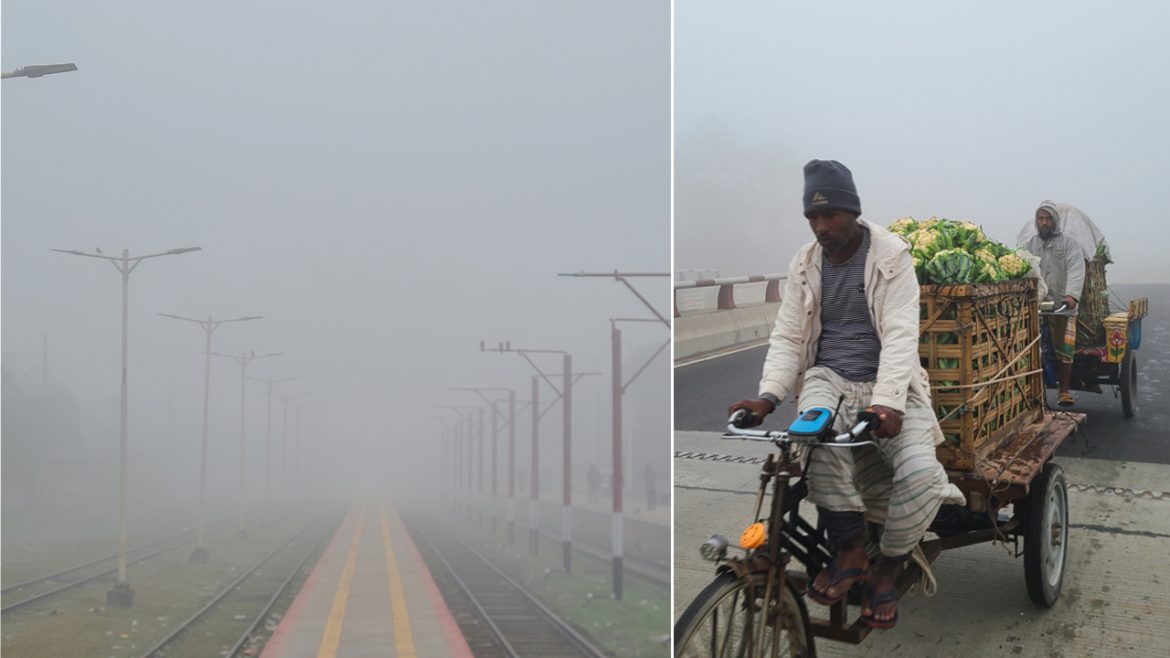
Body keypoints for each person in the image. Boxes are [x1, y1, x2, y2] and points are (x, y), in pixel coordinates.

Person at [728, 159, 963, 629]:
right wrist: (769, 396)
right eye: (812, 218)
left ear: (852, 211)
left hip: (891, 385)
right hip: (828, 378)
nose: (821, 226)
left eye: (830, 214)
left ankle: (889, 566)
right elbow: (790, 336)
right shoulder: (804, 263)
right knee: (814, 439)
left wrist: (888, 402)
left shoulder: (892, 256)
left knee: (922, 475)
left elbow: (900, 335)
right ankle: (852, 550)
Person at [1020, 202, 1085, 407]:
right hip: (1038, 305)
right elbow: (1024, 267)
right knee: (1033, 348)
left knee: (1064, 349)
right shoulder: (1030, 244)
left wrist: (1072, 295)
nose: (1044, 222)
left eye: (1048, 219)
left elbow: (1076, 268)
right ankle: (1035, 391)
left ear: (1054, 221)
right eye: (1040, 219)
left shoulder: (1069, 244)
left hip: (1062, 306)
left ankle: (1064, 391)